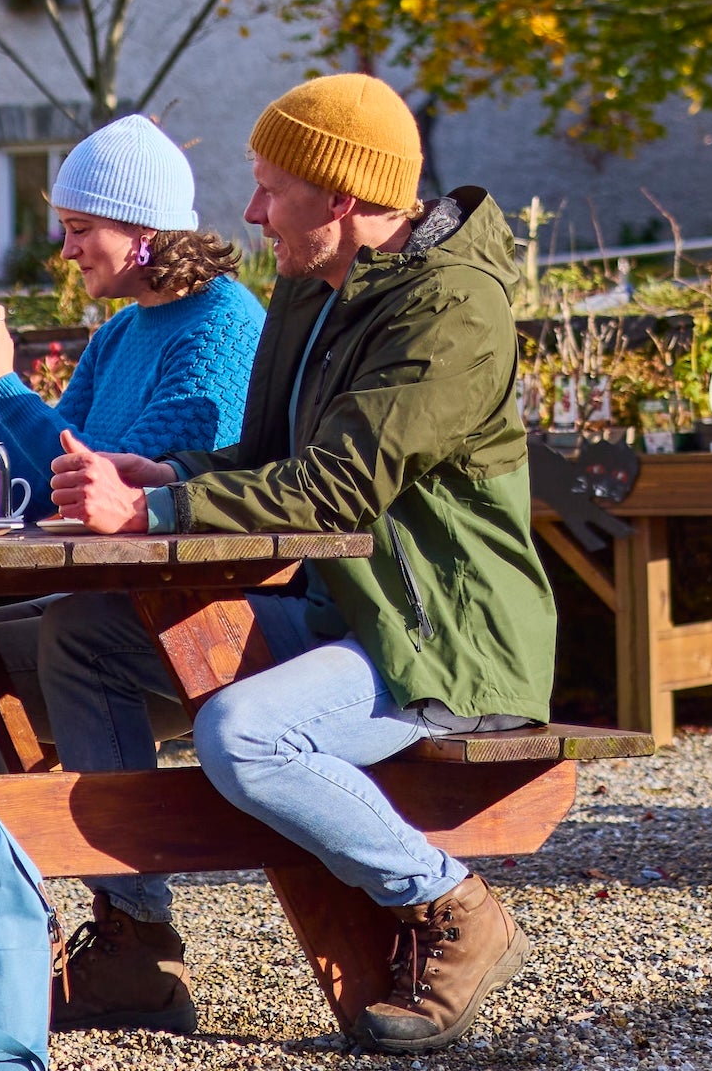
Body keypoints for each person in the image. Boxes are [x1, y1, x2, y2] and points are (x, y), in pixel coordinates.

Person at [44, 73, 557, 1053]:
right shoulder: (311, 286)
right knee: (82, 633)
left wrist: (152, 510)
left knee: (244, 733)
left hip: (442, 642)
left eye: (270, 188)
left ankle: (451, 902)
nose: (249, 212)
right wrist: (172, 472)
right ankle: (134, 944)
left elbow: (335, 486)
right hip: (342, 616)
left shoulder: (452, 309)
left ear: (342, 199)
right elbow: (268, 458)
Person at [0, 114, 263, 777]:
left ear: (144, 233)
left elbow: (100, 491)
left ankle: (26, 846)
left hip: (191, 624)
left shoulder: (223, 329)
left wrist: (6, 383)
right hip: (118, 598)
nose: (65, 251)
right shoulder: (120, 333)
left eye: (79, 228)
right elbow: (42, 491)